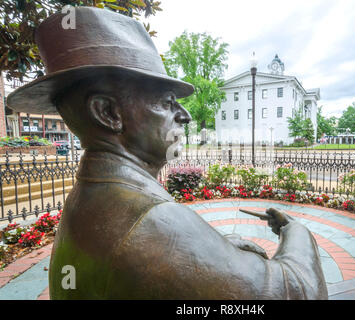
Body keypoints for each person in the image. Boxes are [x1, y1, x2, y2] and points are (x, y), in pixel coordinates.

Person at [7, 7, 327, 300]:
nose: (184, 115)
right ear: (107, 113)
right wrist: (295, 231)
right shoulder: (153, 222)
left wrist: (218, 256)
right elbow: (298, 291)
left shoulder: (90, 198)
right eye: (167, 101)